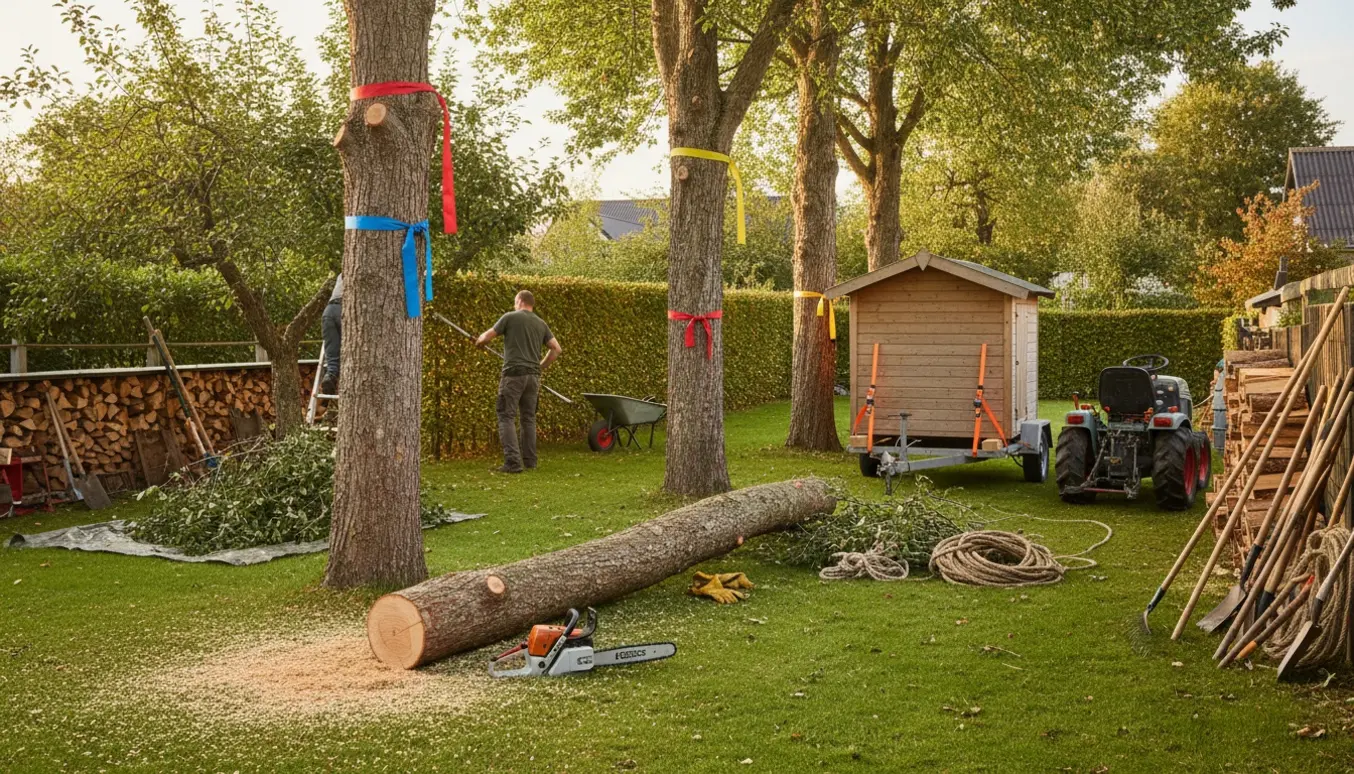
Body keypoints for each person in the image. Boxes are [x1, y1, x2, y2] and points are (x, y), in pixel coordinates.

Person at [475, 290, 562, 473]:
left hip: (513, 375)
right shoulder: (541, 323)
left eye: (515, 302)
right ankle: (530, 462)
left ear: (520, 301)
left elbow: (486, 337)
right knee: (528, 418)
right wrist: (540, 366)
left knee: (506, 416)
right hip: (533, 377)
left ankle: (513, 463)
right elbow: (556, 349)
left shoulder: (510, 317)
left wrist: (479, 343)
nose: (515, 306)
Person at [320, 274, 342, 395]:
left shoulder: (341, 274)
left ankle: (330, 375)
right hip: (343, 308)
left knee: (332, 357)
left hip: (328, 311)